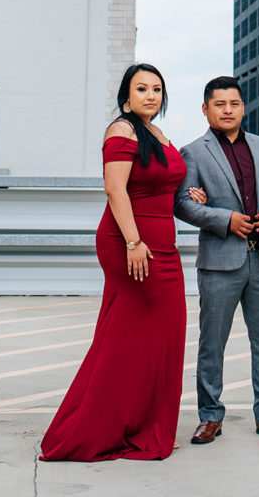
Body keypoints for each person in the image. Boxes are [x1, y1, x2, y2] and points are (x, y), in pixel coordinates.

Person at [40, 63, 203, 461]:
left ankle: (149, 424)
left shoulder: (157, 134)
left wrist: (189, 193)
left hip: (163, 246)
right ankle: (100, 427)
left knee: (162, 340)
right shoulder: (122, 129)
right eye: (142, 89)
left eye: (157, 89)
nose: (151, 95)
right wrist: (133, 241)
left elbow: (161, 185)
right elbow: (116, 189)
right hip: (129, 242)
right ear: (126, 96)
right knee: (127, 341)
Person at [174, 75, 259, 445]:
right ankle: (210, 416)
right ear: (206, 109)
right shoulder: (193, 152)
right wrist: (224, 219)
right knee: (212, 342)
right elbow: (181, 203)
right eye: (220, 104)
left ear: (243, 107)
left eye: (234, 104)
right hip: (219, 262)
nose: (228, 110)